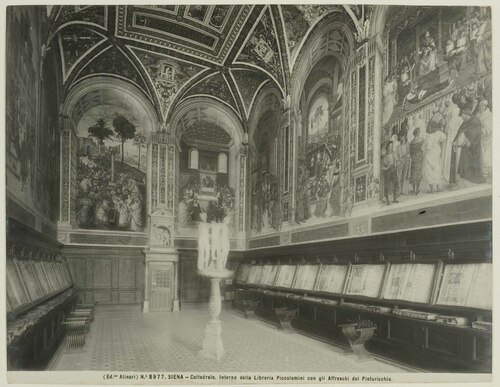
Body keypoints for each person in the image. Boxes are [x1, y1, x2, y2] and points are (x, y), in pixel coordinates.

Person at [453, 108, 484, 184]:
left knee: (473, 160)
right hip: (466, 144)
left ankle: (474, 176)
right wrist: (454, 140)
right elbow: (460, 130)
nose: (462, 117)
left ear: (466, 114)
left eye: (462, 115)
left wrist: (467, 138)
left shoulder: (475, 121)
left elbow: (476, 132)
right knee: (464, 158)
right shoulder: (465, 121)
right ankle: (466, 175)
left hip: (474, 145)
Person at [422, 112, 447, 193]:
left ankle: (433, 188)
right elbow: (444, 137)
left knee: (430, 170)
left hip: (431, 154)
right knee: (436, 169)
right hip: (435, 153)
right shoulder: (438, 134)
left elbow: (423, 148)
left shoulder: (428, 136)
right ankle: (436, 187)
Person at [476, 100, 492, 179]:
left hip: (488, 138)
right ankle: (483, 172)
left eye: (481, 106)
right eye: (479, 106)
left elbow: (490, 126)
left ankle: (489, 171)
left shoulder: (489, 115)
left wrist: (485, 130)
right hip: (480, 137)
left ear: (485, 107)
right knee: (482, 154)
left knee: (488, 154)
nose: (480, 108)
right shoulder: (478, 115)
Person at [409, 128, 424, 195]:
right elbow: (423, 148)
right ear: (418, 133)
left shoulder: (411, 142)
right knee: (418, 173)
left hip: (414, 159)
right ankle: (417, 189)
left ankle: (414, 189)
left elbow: (411, 153)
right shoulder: (421, 140)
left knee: (414, 173)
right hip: (420, 157)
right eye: (419, 132)